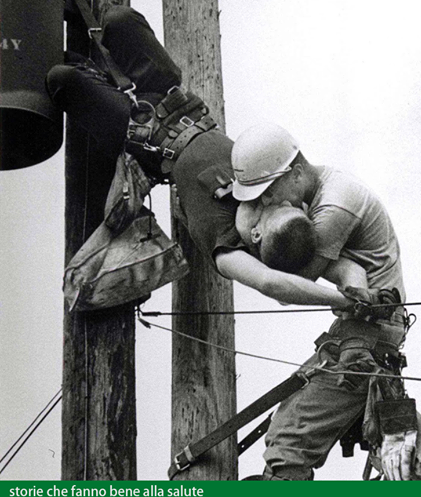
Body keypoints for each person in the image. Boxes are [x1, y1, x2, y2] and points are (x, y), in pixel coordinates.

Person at [47, 5, 364, 311]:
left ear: (256, 235)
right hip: (173, 98)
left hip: (142, 135)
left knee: (62, 78)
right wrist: (361, 295)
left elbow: (272, 284)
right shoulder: (272, 208)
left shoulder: (227, 244)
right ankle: (84, 29)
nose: (272, 200)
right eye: (283, 203)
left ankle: (53, 49)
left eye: (271, 210)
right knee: (118, 19)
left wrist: (340, 302)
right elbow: (346, 269)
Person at [231, 123, 418, 481]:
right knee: (287, 423)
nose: (265, 203)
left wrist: (239, 239)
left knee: (288, 447)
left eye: (267, 192)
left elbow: (290, 287)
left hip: (367, 335)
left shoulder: (333, 208)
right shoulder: (315, 192)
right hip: (359, 330)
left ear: (296, 173)